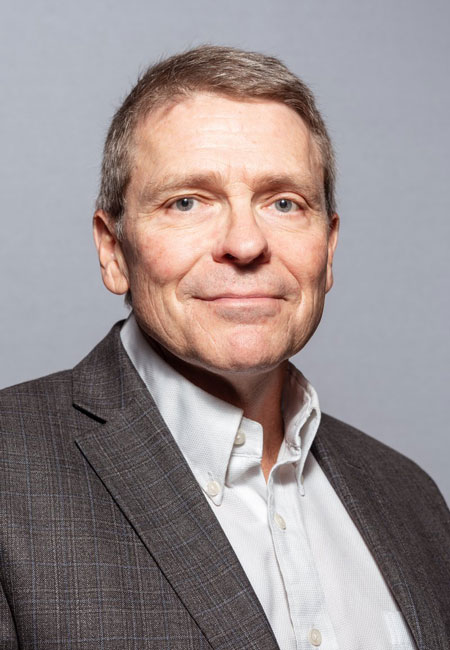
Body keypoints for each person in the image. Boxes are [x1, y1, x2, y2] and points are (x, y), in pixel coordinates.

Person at [1, 45, 449, 650]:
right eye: (187, 201)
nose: (244, 243)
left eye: (284, 203)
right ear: (113, 251)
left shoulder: (411, 499)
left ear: (330, 247)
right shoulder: (10, 472)